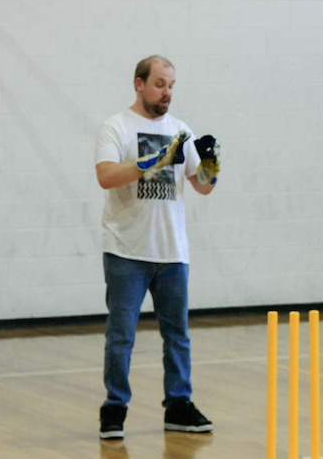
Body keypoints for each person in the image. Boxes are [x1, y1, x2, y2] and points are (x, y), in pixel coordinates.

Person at [94, 55, 221, 440]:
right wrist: (149, 161)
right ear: (139, 83)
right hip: (126, 251)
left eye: (171, 85)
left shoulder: (180, 129)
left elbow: (202, 185)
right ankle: (114, 408)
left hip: (172, 253)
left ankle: (179, 405)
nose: (167, 92)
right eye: (160, 84)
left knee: (178, 334)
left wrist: (212, 164)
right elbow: (105, 176)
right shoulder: (116, 127)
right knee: (121, 335)